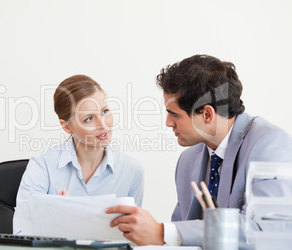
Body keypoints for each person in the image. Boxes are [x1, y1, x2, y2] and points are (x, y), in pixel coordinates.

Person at [106, 54, 292, 247]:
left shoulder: (270, 144)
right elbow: (180, 237)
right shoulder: (188, 160)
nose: (168, 123)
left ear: (207, 114)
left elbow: (263, 229)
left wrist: (163, 231)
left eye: (174, 114)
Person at [13, 74, 144, 235]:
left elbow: (132, 237)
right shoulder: (42, 165)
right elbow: (22, 233)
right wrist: (61, 218)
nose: (103, 124)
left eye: (105, 111)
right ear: (67, 127)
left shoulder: (131, 170)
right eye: (88, 119)